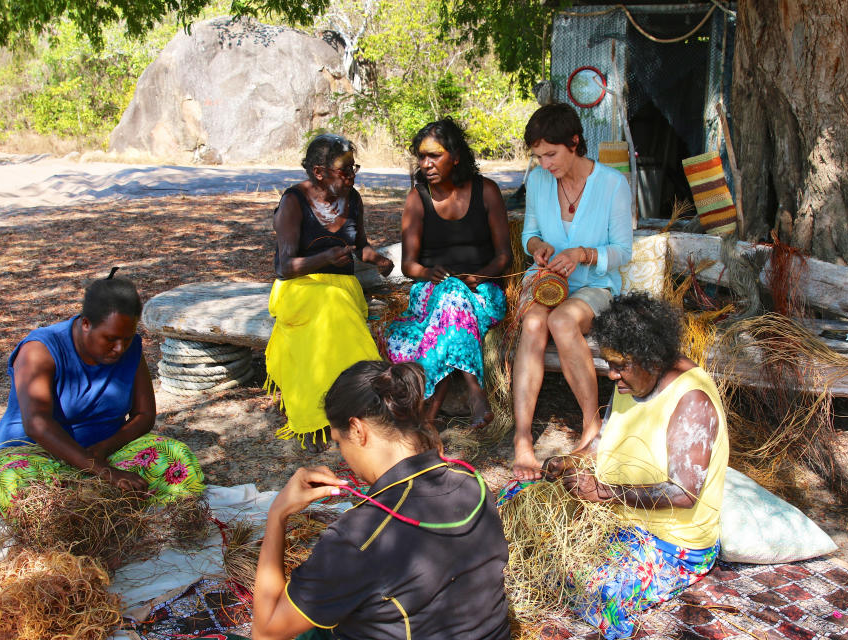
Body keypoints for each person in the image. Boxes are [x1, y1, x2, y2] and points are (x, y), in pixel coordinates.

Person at [251, 360, 511, 640]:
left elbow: (265, 632)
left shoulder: (359, 537)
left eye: (339, 442)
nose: (343, 456)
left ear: (358, 430)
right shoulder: (474, 486)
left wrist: (277, 515)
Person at [543, 293, 728, 640]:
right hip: (622, 525)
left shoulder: (691, 400)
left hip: (673, 545)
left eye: (618, 365)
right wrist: (572, 460)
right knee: (531, 539)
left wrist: (606, 493)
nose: (611, 375)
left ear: (651, 357)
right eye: (608, 364)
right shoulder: (633, 380)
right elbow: (602, 442)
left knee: (595, 591)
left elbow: (683, 493)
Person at [0, 271, 205, 518]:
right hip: (38, 455)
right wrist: (103, 472)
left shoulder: (129, 348)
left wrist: (101, 452)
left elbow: (144, 415)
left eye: (127, 338)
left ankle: (116, 511)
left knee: (177, 459)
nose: (120, 348)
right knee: (20, 486)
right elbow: (37, 424)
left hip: (106, 452)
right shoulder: (39, 350)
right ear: (86, 323)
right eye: (110, 339)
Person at [512, 103, 633, 480]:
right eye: (538, 156)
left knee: (563, 322)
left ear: (574, 142)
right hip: (546, 280)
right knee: (534, 325)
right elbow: (529, 233)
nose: (545, 163)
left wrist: (582, 254)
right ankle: (522, 441)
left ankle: (591, 429)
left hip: (595, 285)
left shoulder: (612, 183)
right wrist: (538, 249)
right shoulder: (538, 181)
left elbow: (622, 252)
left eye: (551, 154)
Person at [266, 134, 395, 453]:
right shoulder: (293, 202)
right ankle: (325, 414)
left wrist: (378, 260)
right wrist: (322, 259)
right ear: (319, 172)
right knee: (332, 309)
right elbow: (283, 266)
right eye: (345, 169)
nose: (352, 176)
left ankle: (352, 405)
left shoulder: (353, 199)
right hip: (299, 287)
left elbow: (359, 244)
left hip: (340, 289)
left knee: (338, 305)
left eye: (355, 168)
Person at [385, 118, 512, 428]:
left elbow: (504, 257)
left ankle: (428, 412)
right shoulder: (418, 197)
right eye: (422, 156)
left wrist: (479, 277)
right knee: (451, 295)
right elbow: (409, 266)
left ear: (455, 156)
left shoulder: (487, 191)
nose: (426, 163)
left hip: (481, 295)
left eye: (435, 155)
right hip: (431, 294)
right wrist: (428, 273)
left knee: (454, 301)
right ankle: (474, 392)